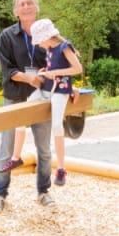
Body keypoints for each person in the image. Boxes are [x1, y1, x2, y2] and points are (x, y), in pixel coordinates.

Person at [0, 0, 53, 211]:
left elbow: (58, 61)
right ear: (16, 11)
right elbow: (7, 70)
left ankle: (44, 191)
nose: (26, 6)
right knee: (6, 149)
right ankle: (0, 193)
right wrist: (29, 78)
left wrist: (64, 84)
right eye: (22, 4)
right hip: (15, 97)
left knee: (44, 149)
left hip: (42, 97)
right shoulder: (7, 36)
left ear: (36, 7)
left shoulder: (47, 33)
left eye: (29, 3)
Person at [29, 18, 83, 187]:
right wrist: (46, 71)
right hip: (48, 87)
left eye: (39, 41)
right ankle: (16, 155)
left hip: (60, 90)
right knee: (27, 105)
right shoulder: (50, 49)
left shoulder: (64, 46)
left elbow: (77, 68)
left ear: (46, 37)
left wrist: (56, 73)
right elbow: (54, 68)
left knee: (57, 125)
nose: (39, 45)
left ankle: (61, 168)